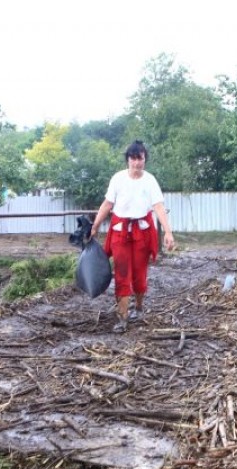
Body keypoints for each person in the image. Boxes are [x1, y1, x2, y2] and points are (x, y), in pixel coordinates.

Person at [90, 140, 175, 333]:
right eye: (133, 158)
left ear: (145, 159)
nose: (137, 163)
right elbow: (107, 205)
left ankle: (138, 307)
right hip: (120, 232)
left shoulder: (150, 180)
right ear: (128, 159)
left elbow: (159, 207)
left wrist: (168, 232)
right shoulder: (118, 179)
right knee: (121, 274)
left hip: (142, 233)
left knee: (139, 275)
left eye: (141, 158)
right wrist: (95, 226)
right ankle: (122, 318)